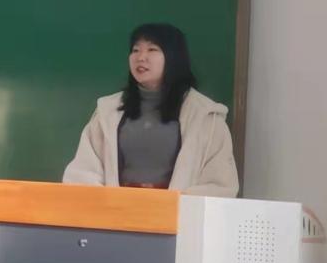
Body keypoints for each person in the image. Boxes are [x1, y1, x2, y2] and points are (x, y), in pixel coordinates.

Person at [63, 23, 239, 197]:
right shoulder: (107, 111)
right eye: (135, 50)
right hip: (117, 211)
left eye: (152, 50)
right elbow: (82, 173)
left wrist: (168, 206)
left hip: (179, 213)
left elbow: (219, 184)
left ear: (173, 57)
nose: (141, 57)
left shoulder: (205, 116)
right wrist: (112, 204)